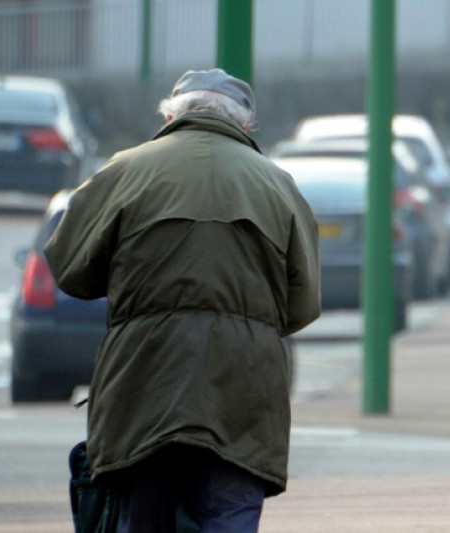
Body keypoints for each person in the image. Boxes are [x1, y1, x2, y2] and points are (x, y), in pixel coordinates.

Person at [44, 68, 321, 531]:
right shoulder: (279, 186)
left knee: (141, 516)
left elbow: (70, 268)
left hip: (142, 382)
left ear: (170, 115)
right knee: (229, 514)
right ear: (246, 125)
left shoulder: (124, 171)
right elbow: (303, 305)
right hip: (242, 390)